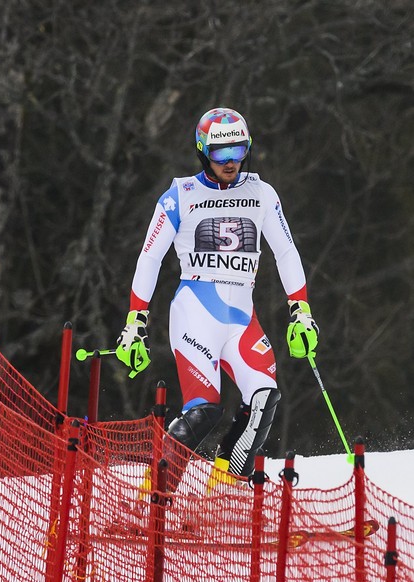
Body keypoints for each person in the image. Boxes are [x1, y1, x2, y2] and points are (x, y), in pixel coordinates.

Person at [115, 107, 319, 485]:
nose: (230, 162)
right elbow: (150, 257)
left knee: (264, 397)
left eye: (238, 151)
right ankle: (152, 497)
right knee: (204, 412)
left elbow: (286, 252)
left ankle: (226, 485)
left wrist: (300, 311)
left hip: (241, 318)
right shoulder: (181, 194)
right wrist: (135, 321)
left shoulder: (262, 193)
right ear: (202, 152)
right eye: (220, 153)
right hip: (196, 313)